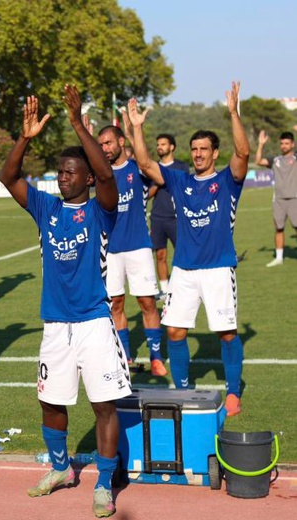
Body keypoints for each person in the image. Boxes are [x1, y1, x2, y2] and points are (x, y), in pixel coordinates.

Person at [0, 85, 129, 518]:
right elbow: (9, 177)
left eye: (72, 172)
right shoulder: (45, 208)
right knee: (50, 401)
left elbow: (109, 177)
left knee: (103, 406)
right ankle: (60, 469)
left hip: (94, 322)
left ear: (87, 177)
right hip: (55, 324)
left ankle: (105, 485)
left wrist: (77, 121)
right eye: (60, 171)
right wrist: (24, 137)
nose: (63, 176)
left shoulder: (101, 210)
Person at [125, 81, 249, 417]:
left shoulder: (227, 181)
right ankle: (182, 390)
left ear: (214, 153)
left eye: (203, 149)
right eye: (194, 149)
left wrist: (233, 113)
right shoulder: (179, 181)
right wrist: (137, 129)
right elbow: (147, 164)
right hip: (184, 271)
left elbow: (243, 154)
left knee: (226, 333)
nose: (197, 154)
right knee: (175, 331)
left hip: (219, 269)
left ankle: (234, 391)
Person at [97, 124, 166, 377]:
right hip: (111, 250)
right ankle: (125, 355)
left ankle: (156, 357)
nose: (104, 148)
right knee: (115, 303)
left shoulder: (138, 168)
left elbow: (151, 168)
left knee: (147, 302)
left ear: (121, 142)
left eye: (108, 143)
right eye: (101, 144)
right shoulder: (100, 174)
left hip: (139, 247)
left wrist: (137, 126)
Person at [150, 134, 191, 297]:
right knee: (160, 255)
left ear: (172, 147)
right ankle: (165, 290)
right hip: (158, 217)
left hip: (177, 217)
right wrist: (158, 182)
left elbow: (186, 189)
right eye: (158, 144)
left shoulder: (182, 166)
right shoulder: (152, 168)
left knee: (182, 252)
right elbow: (149, 193)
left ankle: (186, 286)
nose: (159, 147)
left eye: (163, 144)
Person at [255, 130, 297, 266]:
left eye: (286, 143)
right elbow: (258, 161)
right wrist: (261, 145)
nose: (283, 145)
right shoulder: (276, 160)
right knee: (279, 228)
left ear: (292, 144)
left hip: (295, 198)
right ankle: (279, 258)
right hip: (279, 200)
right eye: (282, 143)